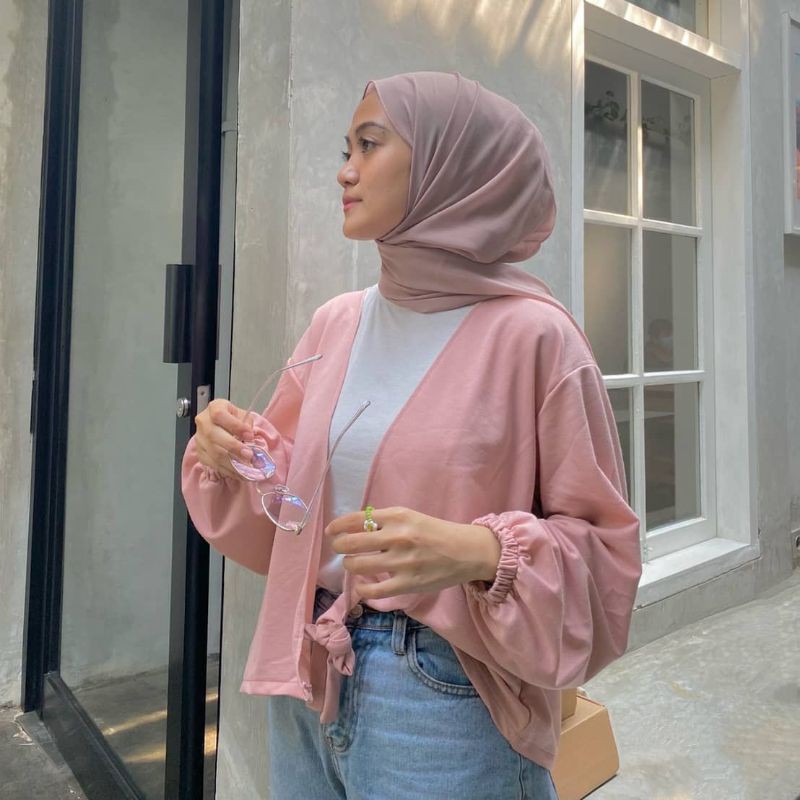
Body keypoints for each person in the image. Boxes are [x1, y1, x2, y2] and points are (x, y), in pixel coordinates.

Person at [181, 70, 642, 799]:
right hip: (307, 666)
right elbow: (293, 508)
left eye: (370, 145)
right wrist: (233, 454)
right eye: (346, 149)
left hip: (444, 689)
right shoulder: (337, 322)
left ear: (450, 165)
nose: (346, 170)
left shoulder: (535, 338)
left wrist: (480, 553)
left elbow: (606, 560)